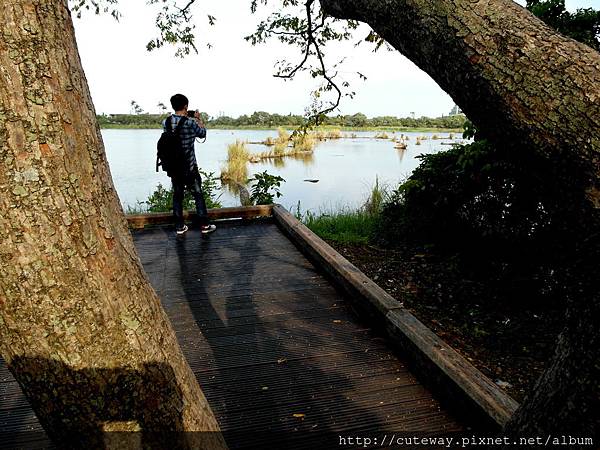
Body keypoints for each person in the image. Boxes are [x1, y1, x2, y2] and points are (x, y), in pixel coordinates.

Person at [163, 93, 216, 235]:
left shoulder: (166, 122)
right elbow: (202, 133)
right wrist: (198, 119)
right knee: (198, 194)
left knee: (178, 195)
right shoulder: (190, 122)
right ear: (186, 106)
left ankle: (180, 226)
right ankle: (204, 225)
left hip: (174, 167)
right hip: (189, 166)